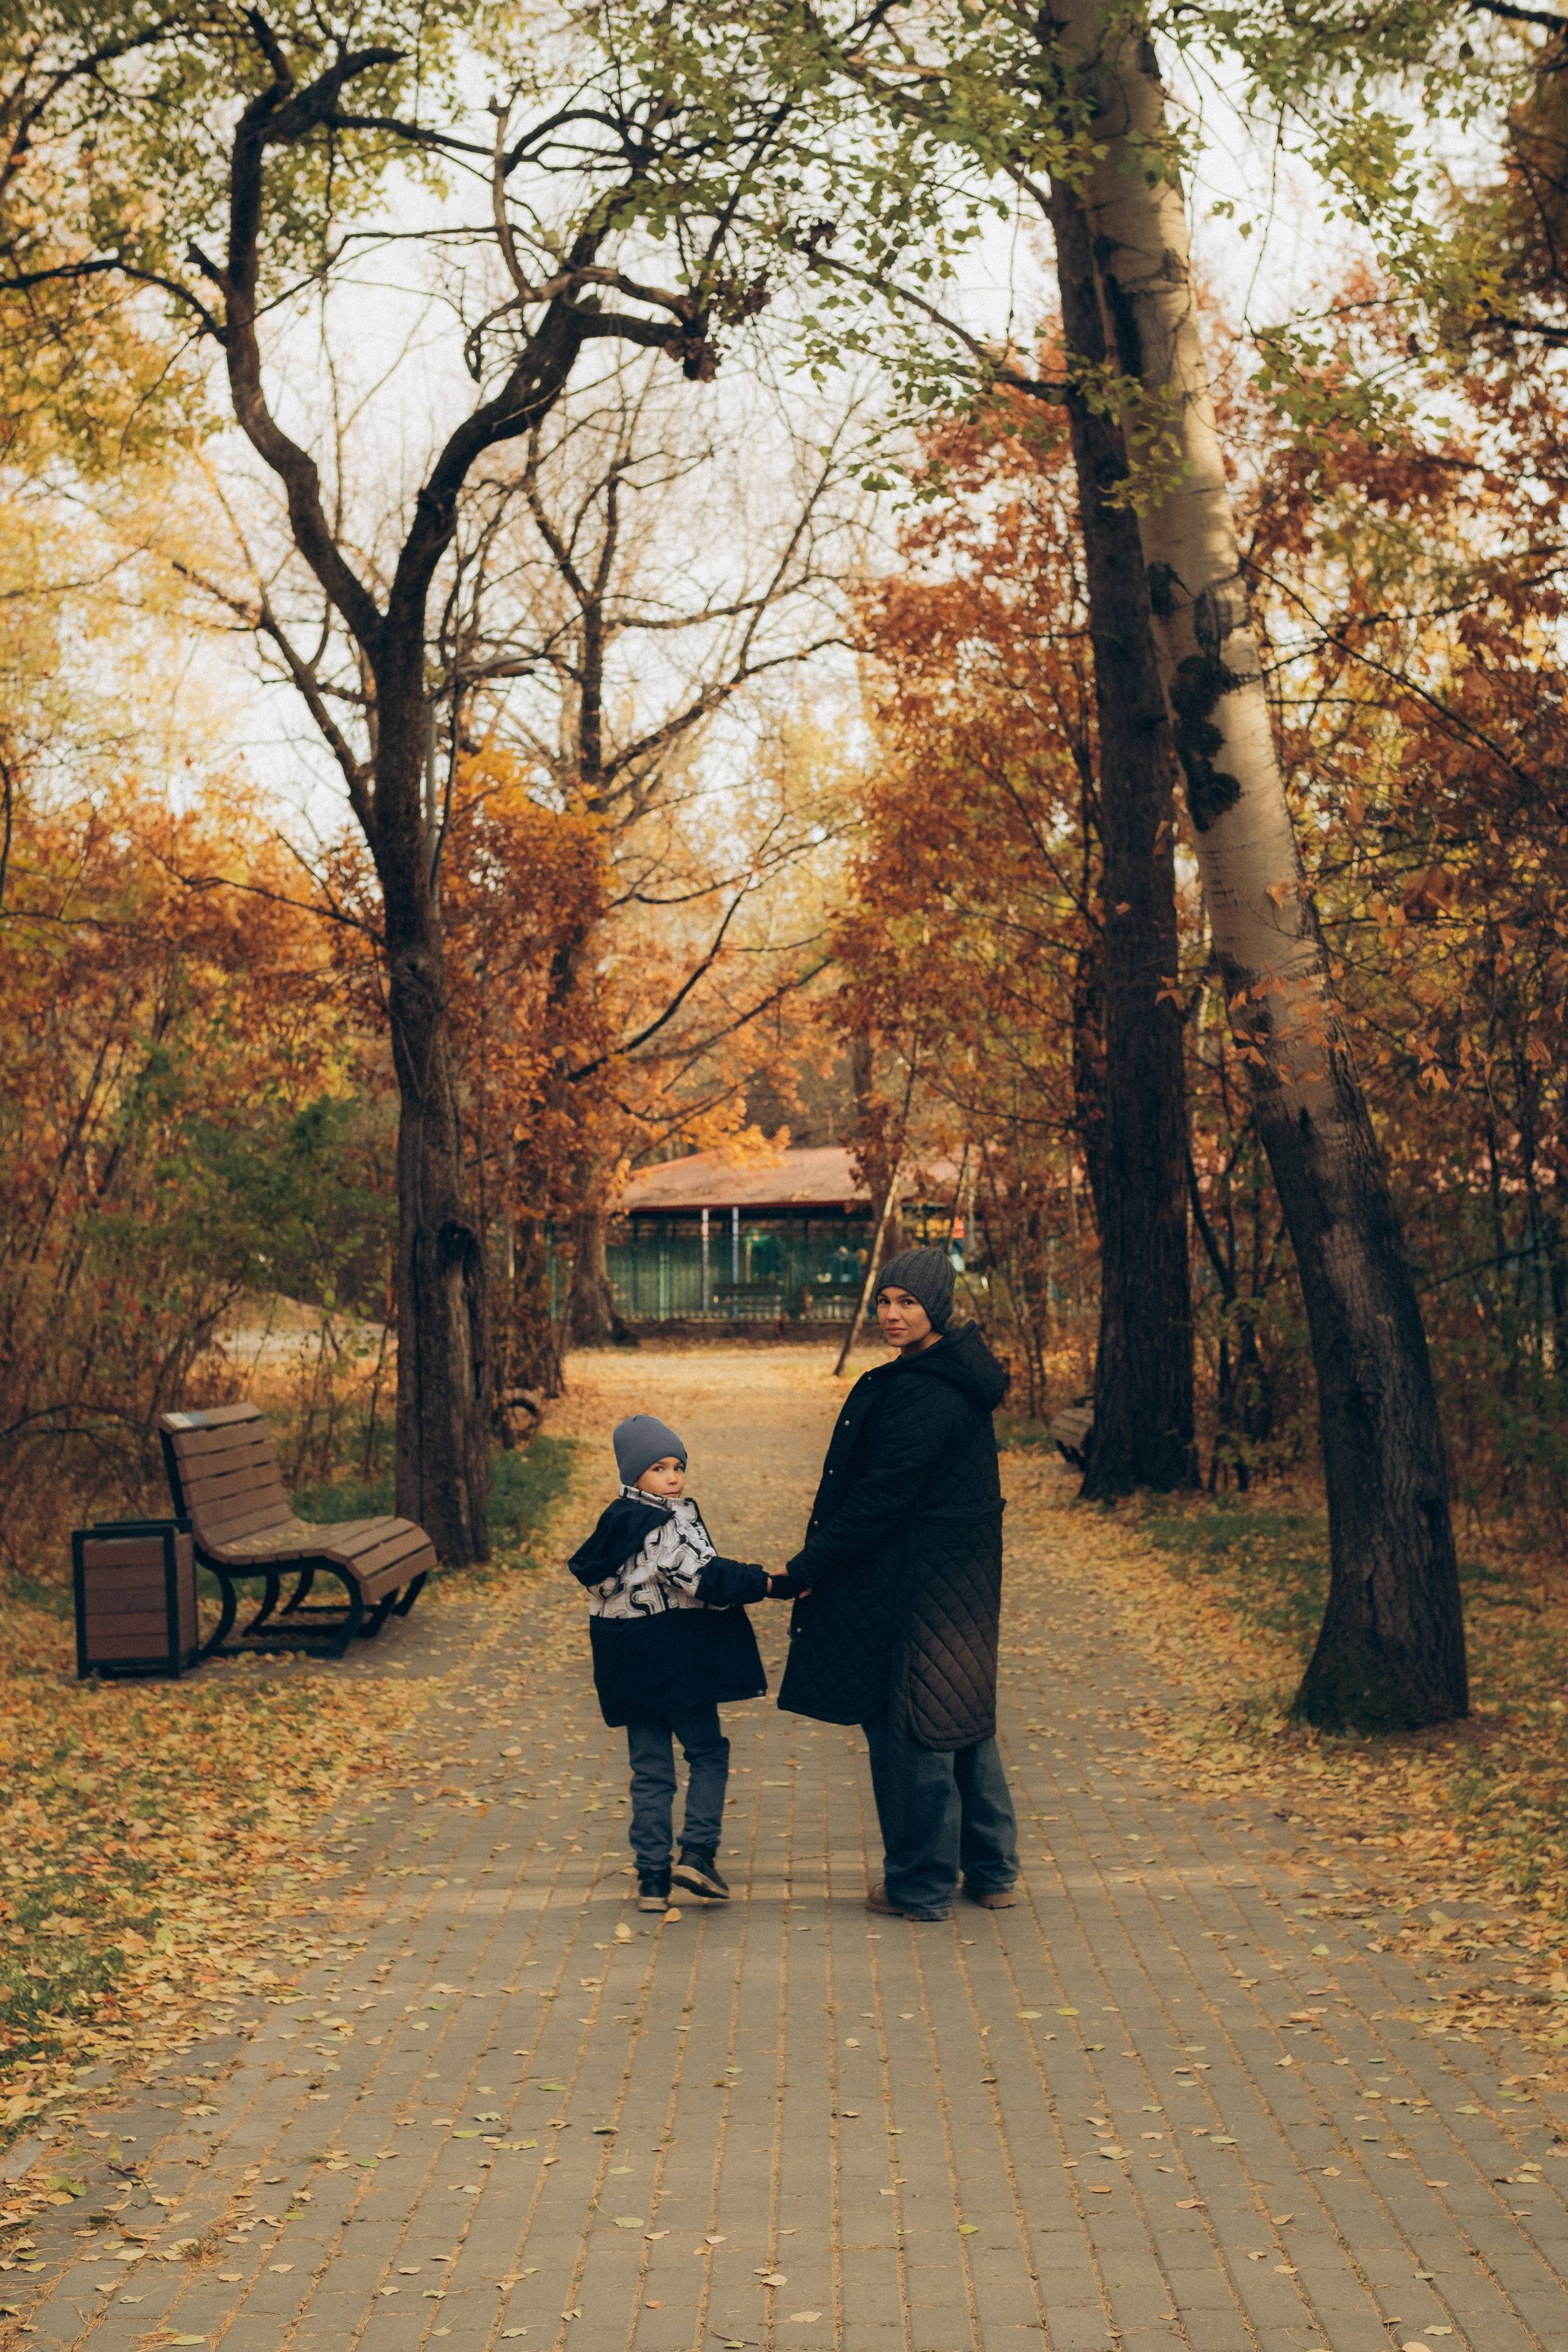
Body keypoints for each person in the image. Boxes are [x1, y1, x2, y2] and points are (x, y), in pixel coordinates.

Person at [776, 1247, 1019, 1922]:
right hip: (958, 1579)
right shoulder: (953, 1376)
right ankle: (993, 1869)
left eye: (907, 1301)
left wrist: (805, 1568)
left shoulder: (923, 1390)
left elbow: (879, 1499)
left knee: (910, 1727)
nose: (890, 1314)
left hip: (916, 1582)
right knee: (962, 1719)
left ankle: (920, 1884)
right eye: (883, 1300)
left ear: (935, 1307)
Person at [567, 1411, 790, 1913]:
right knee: (707, 1752)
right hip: (677, 1661)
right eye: (658, 1469)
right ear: (633, 1475)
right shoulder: (664, 1524)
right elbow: (703, 1579)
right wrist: (768, 1584)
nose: (672, 1477)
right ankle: (698, 1853)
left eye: (677, 1467)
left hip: (628, 1662)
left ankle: (651, 1879)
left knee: (650, 1770)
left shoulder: (614, 1524)